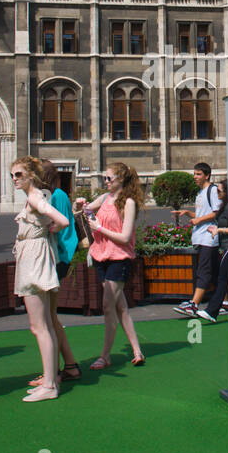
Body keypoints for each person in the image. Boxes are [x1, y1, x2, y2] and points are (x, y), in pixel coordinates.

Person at [74, 163, 145, 370]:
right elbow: (82, 212)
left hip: (119, 258)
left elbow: (125, 237)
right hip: (101, 256)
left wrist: (100, 228)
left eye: (109, 178)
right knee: (120, 307)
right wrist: (80, 205)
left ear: (120, 180)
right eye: (105, 178)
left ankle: (105, 356)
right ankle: (137, 350)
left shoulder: (129, 202)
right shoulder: (105, 199)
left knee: (107, 307)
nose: (105, 182)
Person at [11, 157, 70, 402]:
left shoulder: (36, 197)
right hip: (35, 257)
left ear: (32, 175)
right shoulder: (34, 196)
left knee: (40, 326)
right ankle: (49, 379)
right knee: (44, 323)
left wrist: (52, 227)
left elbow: (63, 220)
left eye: (19, 174)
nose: (15, 179)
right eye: (13, 175)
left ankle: (49, 385)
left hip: (34, 259)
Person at [28, 159, 80, 388]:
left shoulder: (54, 197)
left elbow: (57, 227)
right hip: (57, 258)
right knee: (50, 318)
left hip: (55, 258)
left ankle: (56, 371)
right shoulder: (56, 195)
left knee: (47, 319)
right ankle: (67, 365)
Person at [172, 162, 222, 318]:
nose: (195, 177)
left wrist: (199, 221)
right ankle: (226, 301)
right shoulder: (200, 193)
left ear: (207, 175)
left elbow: (216, 212)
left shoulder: (212, 190)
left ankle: (194, 304)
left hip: (209, 236)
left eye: (198, 174)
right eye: (194, 174)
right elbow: (201, 214)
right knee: (215, 272)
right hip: (200, 237)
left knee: (204, 271)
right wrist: (188, 213)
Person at [198, 180, 228, 323]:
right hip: (225, 246)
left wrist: (219, 230)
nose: (217, 193)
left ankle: (212, 311)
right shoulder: (224, 207)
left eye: (219, 191)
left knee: (222, 279)